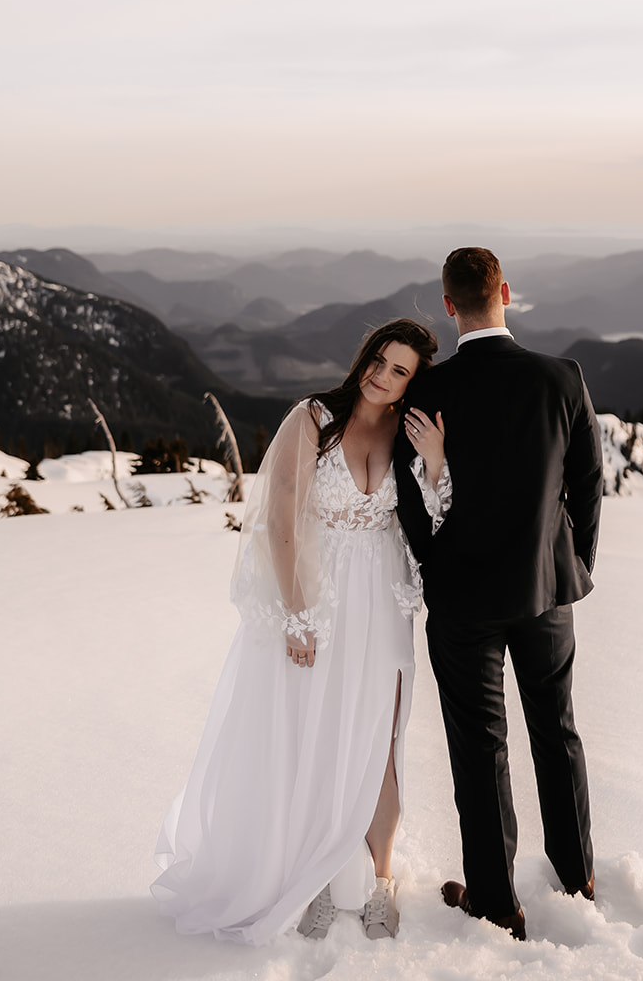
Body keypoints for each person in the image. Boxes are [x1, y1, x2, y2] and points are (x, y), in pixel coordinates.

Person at [152, 317, 442, 945]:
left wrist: (439, 465)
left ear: (411, 383)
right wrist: (298, 613)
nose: (383, 377)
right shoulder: (313, 418)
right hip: (321, 593)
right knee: (312, 733)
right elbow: (279, 523)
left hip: (385, 600)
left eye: (400, 372)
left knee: (379, 741)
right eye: (379, 360)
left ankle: (381, 880)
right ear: (363, 355)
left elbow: (432, 523)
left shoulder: (408, 430)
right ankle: (309, 877)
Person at [394, 247, 603, 941]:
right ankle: (577, 878)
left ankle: (493, 900)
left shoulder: (426, 393)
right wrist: (570, 566)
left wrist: (435, 569)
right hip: (547, 593)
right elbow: (587, 484)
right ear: (505, 294)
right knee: (557, 731)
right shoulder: (561, 378)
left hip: (462, 603)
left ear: (446, 305)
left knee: (479, 748)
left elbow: (409, 506)